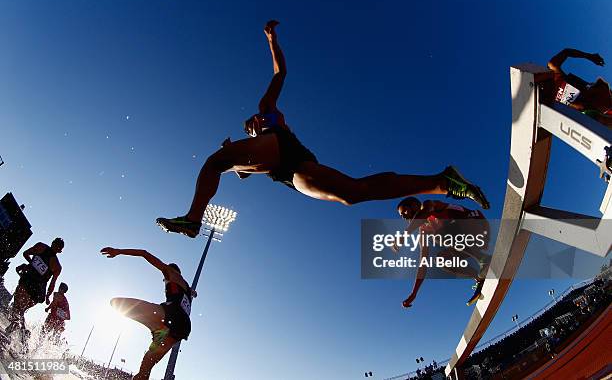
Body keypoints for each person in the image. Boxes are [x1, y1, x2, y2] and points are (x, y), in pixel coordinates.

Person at [156, 20, 489, 238]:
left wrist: (272, 41)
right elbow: (240, 167)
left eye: (253, 127)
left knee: (216, 160)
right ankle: (444, 182)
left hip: (286, 150)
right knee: (352, 194)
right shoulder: (254, 150)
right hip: (288, 173)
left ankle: (193, 219)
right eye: (251, 129)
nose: (252, 127)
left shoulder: (267, 111)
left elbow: (279, 74)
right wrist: (238, 157)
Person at [100, 247, 196, 380]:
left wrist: (118, 251)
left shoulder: (170, 272)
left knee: (116, 303)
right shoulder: (187, 287)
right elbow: (192, 293)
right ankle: (158, 332)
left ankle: (158, 329)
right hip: (181, 329)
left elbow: (144, 253)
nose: (165, 282)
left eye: (165, 280)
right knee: (147, 365)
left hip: (170, 315)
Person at [394, 197, 490, 307]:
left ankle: (483, 260)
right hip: (467, 242)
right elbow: (423, 262)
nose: (403, 216)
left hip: (478, 226)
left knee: (438, 234)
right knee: (440, 260)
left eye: (404, 211)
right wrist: (414, 292)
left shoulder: (428, 204)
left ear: (415, 205)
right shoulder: (424, 231)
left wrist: (404, 234)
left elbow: (424, 212)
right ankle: (479, 278)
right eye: (401, 215)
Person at [6, 238, 64, 335]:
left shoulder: (40, 246)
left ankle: (22, 330)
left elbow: (25, 253)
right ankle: (20, 330)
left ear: (52, 243)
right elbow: (52, 284)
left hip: (28, 282)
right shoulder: (57, 266)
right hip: (38, 292)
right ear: (60, 251)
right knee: (20, 311)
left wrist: (31, 264)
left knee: (17, 309)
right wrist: (47, 297)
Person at [548, 48, 612, 127]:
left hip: (593, 98)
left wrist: (589, 56)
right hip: (589, 108)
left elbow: (566, 52)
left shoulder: (555, 75)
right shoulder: (548, 103)